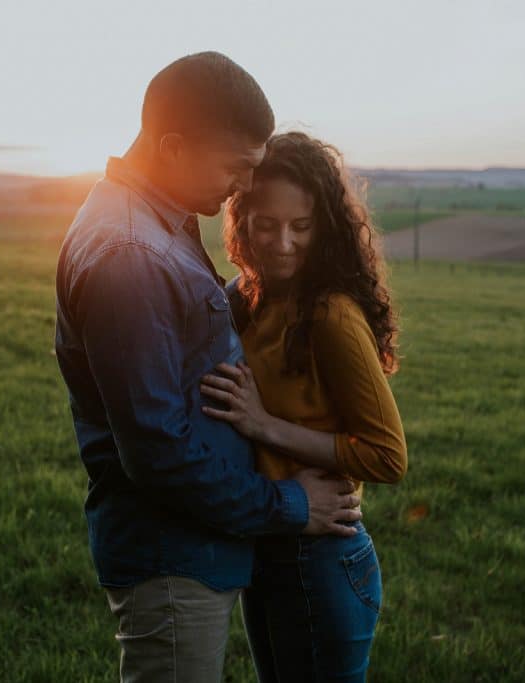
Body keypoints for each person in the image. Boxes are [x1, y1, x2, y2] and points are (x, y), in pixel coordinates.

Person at [53, 53, 363, 683]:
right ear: (172, 147)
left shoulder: (157, 222)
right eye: (235, 167)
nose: (243, 188)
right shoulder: (130, 254)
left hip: (197, 546)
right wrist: (290, 505)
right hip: (173, 558)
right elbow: (159, 452)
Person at [199, 131, 408, 682]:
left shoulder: (330, 315)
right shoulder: (250, 298)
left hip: (320, 559)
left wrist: (262, 424)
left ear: (326, 228)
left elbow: (387, 456)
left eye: (301, 227)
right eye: (265, 224)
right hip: (269, 546)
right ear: (240, 220)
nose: (282, 243)